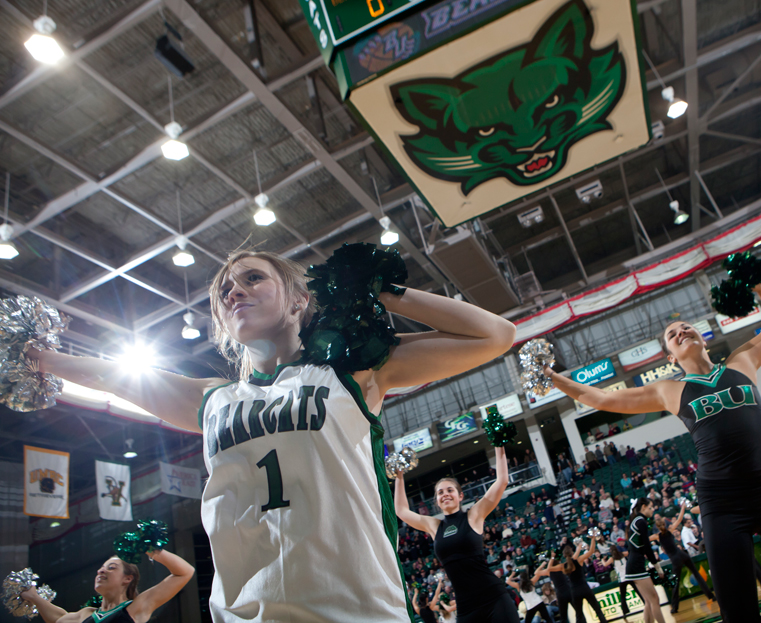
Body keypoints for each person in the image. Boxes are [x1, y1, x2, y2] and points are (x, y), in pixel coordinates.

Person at [27, 250, 516, 622]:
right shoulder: (211, 398)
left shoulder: (351, 373)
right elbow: (111, 376)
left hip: (358, 607)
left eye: (253, 278)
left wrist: (381, 290)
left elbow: (494, 335)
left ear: (300, 299)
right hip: (245, 613)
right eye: (224, 291)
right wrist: (35, 355)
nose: (233, 291)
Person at [545, 281, 761, 622]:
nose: (682, 331)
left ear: (703, 337)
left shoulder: (740, 362)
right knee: (738, 614)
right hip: (723, 504)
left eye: (686, 327)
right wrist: (550, 375)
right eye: (673, 334)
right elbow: (599, 398)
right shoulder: (669, 389)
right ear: (670, 357)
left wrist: (756, 283)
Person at [394, 447, 516, 623]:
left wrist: (499, 444)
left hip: (493, 598)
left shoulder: (474, 515)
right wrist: (399, 474)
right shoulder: (434, 526)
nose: (445, 495)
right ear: (436, 501)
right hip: (465, 607)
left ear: (460, 496)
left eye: (450, 490)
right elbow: (401, 510)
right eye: (440, 493)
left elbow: (502, 480)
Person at [20, 550, 194, 623]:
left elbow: (185, 572)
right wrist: (34, 597)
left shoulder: (135, 608)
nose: (101, 571)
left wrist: (154, 550)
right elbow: (59, 619)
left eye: (111, 568)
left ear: (127, 579)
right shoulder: (88, 614)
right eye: (101, 568)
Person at [651, 500, 715, 614]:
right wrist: (683, 507)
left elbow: (644, 540)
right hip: (682, 554)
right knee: (696, 574)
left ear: (657, 527)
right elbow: (680, 519)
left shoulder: (657, 536)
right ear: (664, 523)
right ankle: (711, 596)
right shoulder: (670, 529)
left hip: (675, 559)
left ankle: (674, 608)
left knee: (676, 583)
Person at [547, 538, 609, 623]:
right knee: (597, 610)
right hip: (584, 588)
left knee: (579, 615)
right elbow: (591, 551)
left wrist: (553, 557)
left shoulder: (562, 566)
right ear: (572, 552)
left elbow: (549, 568)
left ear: (564, 555)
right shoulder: (579, 560)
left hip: (574, 591)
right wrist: (593, 539)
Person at [623, 498, 663, 623]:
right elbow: (647, 547)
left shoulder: (636, 521)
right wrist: (658, 567)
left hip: (633, 564)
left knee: (648, 601)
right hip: (636, 565)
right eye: (651, 507)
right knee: (654, 599)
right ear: (644, 507)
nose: (653, 510)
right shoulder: (640, 521)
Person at [600, 544, 632, 618]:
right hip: (629, 575)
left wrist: (602, 559)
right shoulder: (622, 554)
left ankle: (625, 612)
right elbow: (630, 552)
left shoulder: (612, 558)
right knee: (637, 590)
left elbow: (605, 565)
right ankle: (645, 602)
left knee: (623, 596)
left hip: (622, 579)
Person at [546, 550, 573, 623]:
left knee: (563, 617)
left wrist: (551, 557)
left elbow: (537, 572)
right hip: (568, 591)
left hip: (560, 594)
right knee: (579, 611)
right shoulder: (562, 566)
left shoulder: (550, 571)